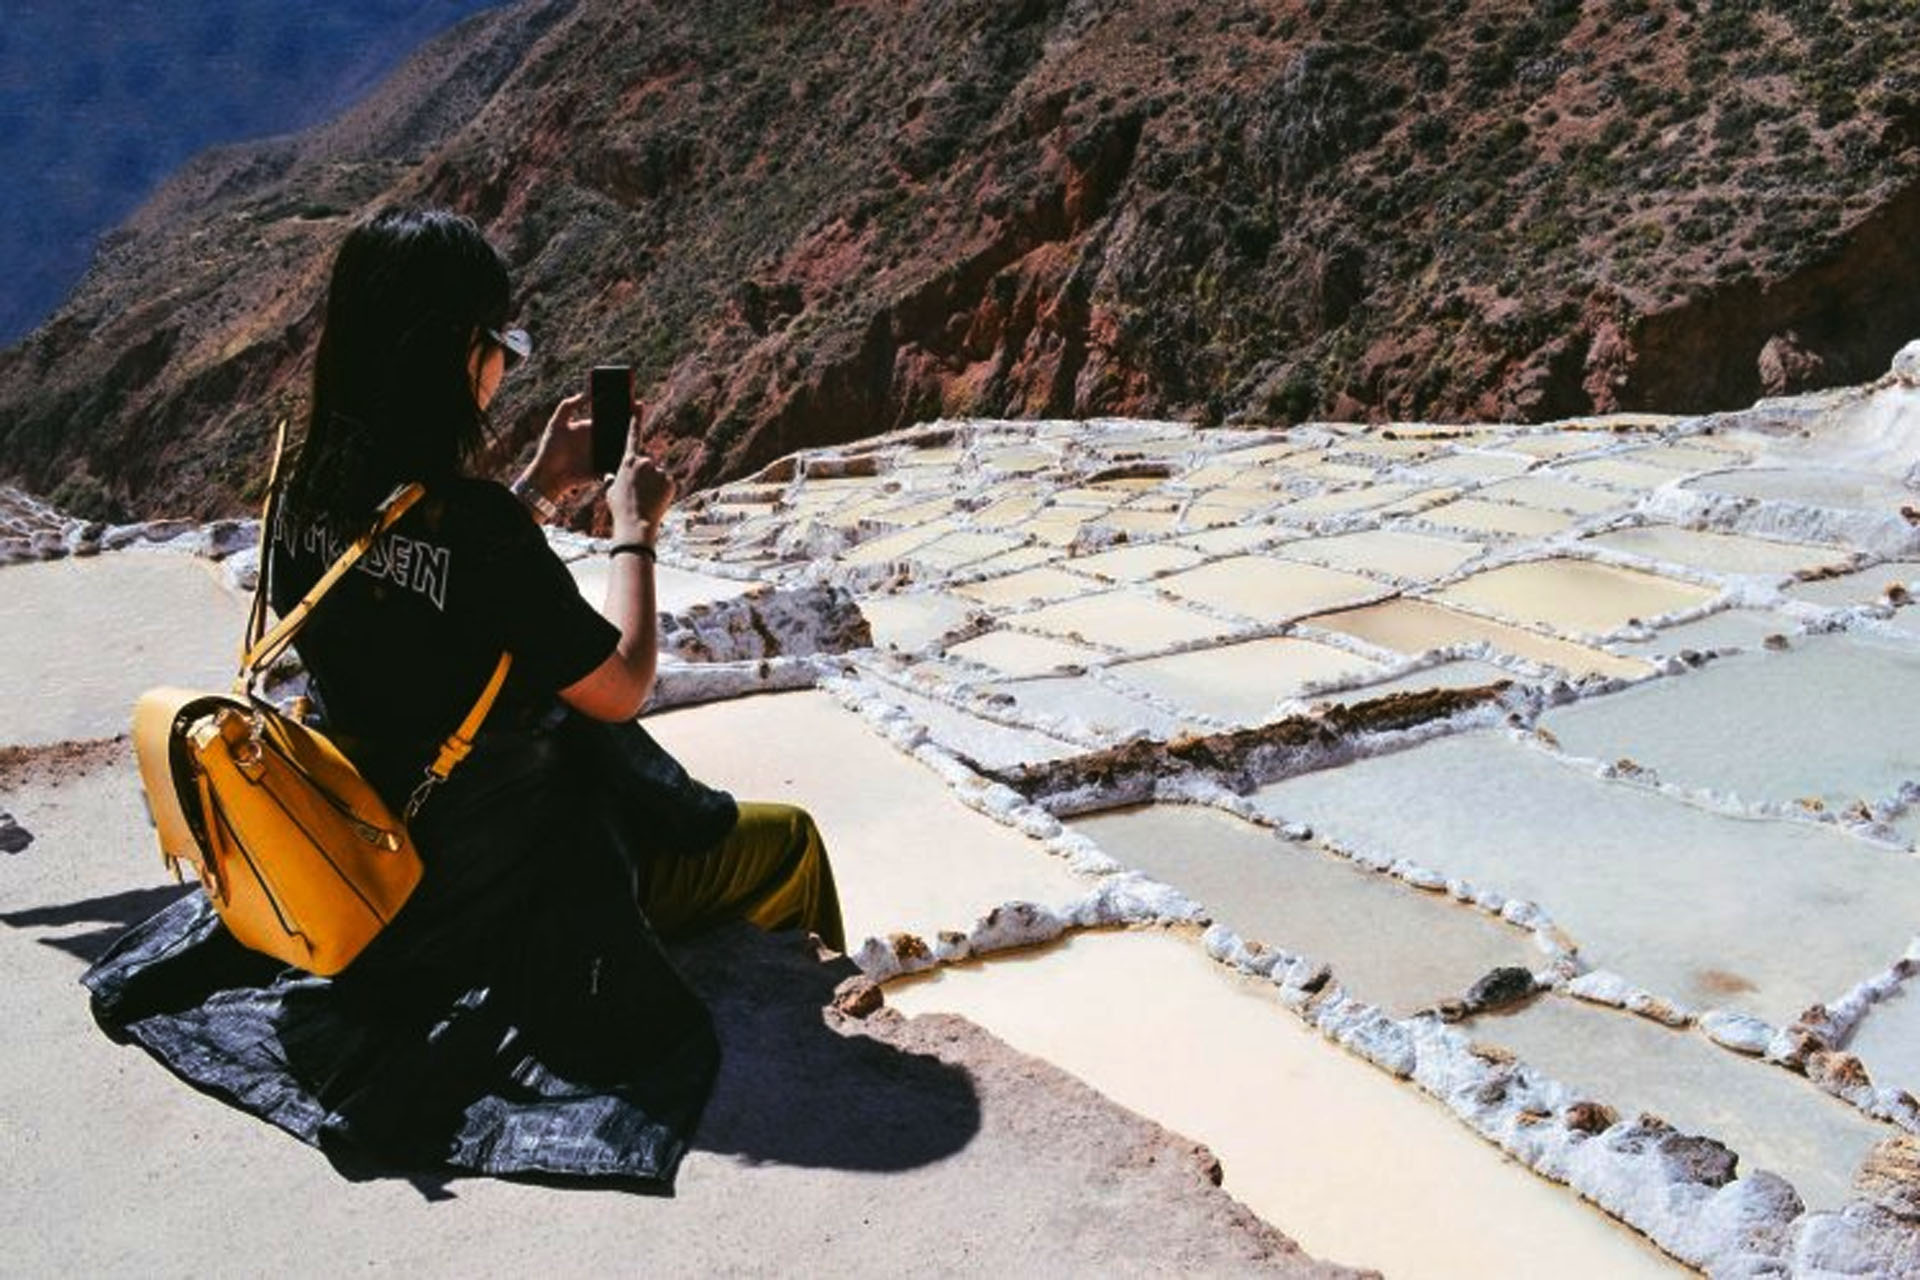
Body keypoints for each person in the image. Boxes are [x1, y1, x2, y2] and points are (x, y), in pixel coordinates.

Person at [83, 206, 844, 1187]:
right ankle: (824, 1007)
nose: (506, 366)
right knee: (785, 838)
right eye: (504, 342)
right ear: (457, 351)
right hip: (502, 884)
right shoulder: (479, 527)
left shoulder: (302, 488)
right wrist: (631, 529)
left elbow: (405, 597)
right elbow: (618, 685)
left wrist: (533, 483)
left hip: (368, 844)